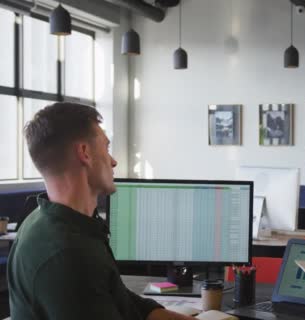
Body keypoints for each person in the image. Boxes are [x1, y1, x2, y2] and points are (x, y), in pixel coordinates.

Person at [8, 103, 195, 320]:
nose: (113, 161)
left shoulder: (43, 220)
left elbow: (118, 298)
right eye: (106, 148)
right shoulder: (68, 254)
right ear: (85, 153)